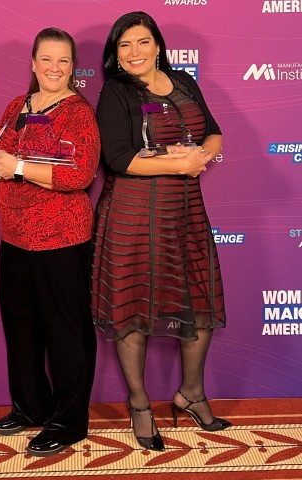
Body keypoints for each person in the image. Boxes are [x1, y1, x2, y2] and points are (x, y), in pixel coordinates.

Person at [91, 11, 231, 452]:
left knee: (201, 302)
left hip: (186, 213)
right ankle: (140, 405)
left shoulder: (185, 81)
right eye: (125, 45)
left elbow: (214, 134)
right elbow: (117, 158)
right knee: (133, 311)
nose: (134, 53)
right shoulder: (115, 92)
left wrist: (202, 155)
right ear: (116, 53)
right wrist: (181, 163)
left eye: (142, 42)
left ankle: (191, 393)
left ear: (158, 46)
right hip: (132, 216)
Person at [0, 27, 100, 457]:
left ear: (73, 67)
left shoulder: (78, 113)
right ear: (33, 63)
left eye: (63, 60)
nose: (54, 68)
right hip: (14, 237)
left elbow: (78, 175)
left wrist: (15, 167)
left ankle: (68, 422)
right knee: (21, 328)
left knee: (66, 332)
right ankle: (31, 407)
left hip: (61, 238)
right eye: (46, 59)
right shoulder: (19, 105)